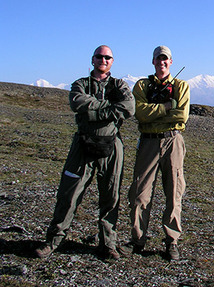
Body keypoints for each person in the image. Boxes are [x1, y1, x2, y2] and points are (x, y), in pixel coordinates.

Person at [35, 45, 135, 260]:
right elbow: (77, 103)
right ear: (93, 60)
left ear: (112, 61)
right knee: (69, 194)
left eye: (107, 57)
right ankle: (53, 241)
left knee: (111, 195)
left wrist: (95, 111)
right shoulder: (80, 84)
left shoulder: (119, 84)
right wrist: (110, 108)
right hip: (83, 144)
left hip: (111, 145)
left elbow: (129, 107)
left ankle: (108, 244)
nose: (103, 60)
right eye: (99, 56)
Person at [120, 45, 190, 261]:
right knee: (140, 193)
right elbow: (139, 113)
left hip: (172, 141)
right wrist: (167, 106)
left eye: (165, 59)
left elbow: (182, 116)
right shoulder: (142, 85)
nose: (161, 62)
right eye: (158, 59)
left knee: (174, 192)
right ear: (153, 62)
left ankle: (172, 241)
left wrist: (154, 111)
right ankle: (137, 240)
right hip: (148, 142)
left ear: (171, 62)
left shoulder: (181, 85)